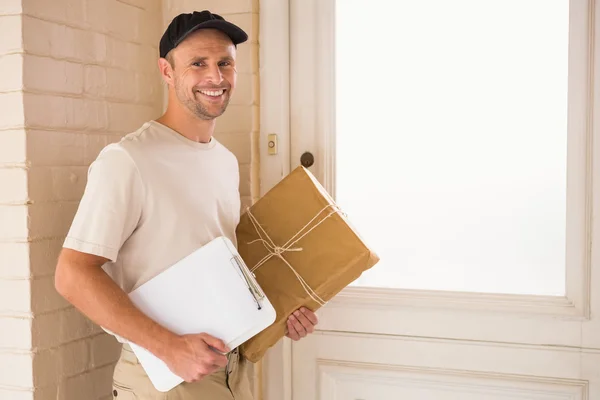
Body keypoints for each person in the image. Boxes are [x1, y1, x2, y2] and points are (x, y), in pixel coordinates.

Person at [54, 10, 318, 400]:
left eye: (225, 63)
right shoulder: (128, 159)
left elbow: (223, 267)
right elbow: (72, 274)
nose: (216, 77)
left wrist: (281, 312)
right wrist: (169, 347)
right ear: (166, 71)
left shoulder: (225, 162)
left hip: (230, 369)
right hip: (164, 377)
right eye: (198, 63)